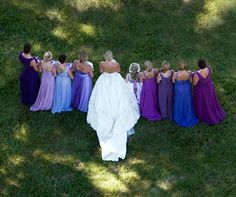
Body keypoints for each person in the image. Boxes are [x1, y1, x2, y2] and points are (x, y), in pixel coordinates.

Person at [87, 50, 140, 161]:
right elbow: (118, 71)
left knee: (103, 101)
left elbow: (102, 71)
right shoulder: (116, 64)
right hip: (116, 82)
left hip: (104, 82)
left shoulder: (102, 64)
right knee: (119, 100)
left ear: (105, 56)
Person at [193, 59, 226, 124]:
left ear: (198, 65)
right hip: (209, 87)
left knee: (202, 101)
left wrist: (193, 74)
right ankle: (212, 109)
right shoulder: (209, 68)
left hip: (201, 90)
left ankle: (204, 113)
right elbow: (211, 74)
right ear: (205, 64)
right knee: (210, 99)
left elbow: (194, 84)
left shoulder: (196, 74)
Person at [172, 61, 198, 127]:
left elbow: (173, 81)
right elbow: (191, 81)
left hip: (179, 89)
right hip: (187, 88)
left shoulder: (176, 73)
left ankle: (179, 116)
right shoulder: (189, 73)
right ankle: (188, 115)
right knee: (187, 101)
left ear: (179, 67)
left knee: (179, 101)